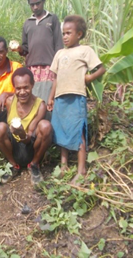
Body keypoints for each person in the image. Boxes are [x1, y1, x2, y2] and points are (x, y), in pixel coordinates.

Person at [47, 15, 106, 184]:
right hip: (60, 98)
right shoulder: (59, 53)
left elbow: (101, 69)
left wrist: (89, 78)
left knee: (78, 130)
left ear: (79, 34)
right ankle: (63, 165)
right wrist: (51, 97)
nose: (65, 36)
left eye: (68, 33)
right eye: (63, 33)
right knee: (61, 130)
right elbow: (55, 79)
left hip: (76, 96)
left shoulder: (85, 50)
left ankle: (81, 170)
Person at [0, 67, 52, 185]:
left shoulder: (40, 105)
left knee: (46, 126)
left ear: (32, 85)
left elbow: (29, 137)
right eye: (18, 88)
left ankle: (34, 165)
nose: (22, 92)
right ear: (14, 88)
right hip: (14, 146)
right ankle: (13, 165)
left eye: (26, 87)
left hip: (30, 145)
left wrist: (21, 134)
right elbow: (5, 131)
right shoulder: (10, 101)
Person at [15, 0, 63, 104]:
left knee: (47, 100)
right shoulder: (27, 23)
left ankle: (47, 122)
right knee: (33, 102)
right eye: (32, 5)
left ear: (44, 1)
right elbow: (25, 49)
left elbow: (58, 45)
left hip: (49, 67)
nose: (35, 7)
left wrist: (57, 65)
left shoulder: (52, 19)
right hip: (32, 68)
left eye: (38, 3)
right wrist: (19, 49)